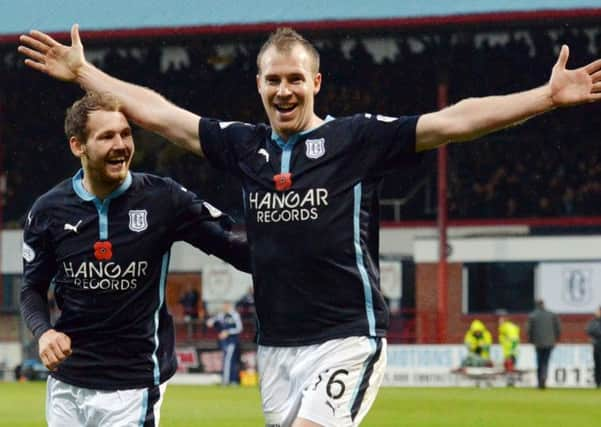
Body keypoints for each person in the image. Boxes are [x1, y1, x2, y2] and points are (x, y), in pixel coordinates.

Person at [18, 25, 601, 426]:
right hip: (276, 347)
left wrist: (545, 98)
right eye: (272, 80)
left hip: (347, 337)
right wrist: (86, 74)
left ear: (315, 83)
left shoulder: (355, 139)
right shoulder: (243, 147)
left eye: (295, 78)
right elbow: (161, 115)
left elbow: (454, 122)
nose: (284, 89)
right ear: (259, 87)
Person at [20, 91, 251, 426]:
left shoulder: (163, 198)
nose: (121, 145)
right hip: (67, 384)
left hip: (133, 385)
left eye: (125, 134)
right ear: (77, 146)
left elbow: (235, 249)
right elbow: (31, 288)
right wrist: (44, 332)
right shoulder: (48, 211)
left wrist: (307, 247)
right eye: (107, 136)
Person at [206, 302, 243, 386]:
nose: (225, 308)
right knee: (229, 360)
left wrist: (228, 332)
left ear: (230, 306)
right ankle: (231, 380)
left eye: (226, 306)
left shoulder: (234, 315)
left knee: (229, 360)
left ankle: (227, 380)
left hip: (233, 341)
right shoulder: (222, 315)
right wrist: (211, 322)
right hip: (225, 342)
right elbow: (211, 321)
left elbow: (239, 328)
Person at [527, 300, 561, 389]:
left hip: (538, 343)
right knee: (546, 362)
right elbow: (558, 329)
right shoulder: (552, 315)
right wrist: (556, 339)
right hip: (550, 342)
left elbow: (529, 330)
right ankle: (544, 378)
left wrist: (531, 340)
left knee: (539, 362)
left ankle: (540, 381)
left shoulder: (533, 316)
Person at [585, 305, 601, 388]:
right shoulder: (593, 321)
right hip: (597, 346)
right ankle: (598, 382)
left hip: (597, 343)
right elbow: (588, 330)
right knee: (597, 364)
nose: (596, 313)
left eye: (598, 311)